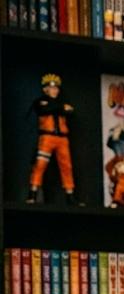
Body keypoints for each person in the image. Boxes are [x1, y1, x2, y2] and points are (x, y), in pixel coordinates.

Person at [27, 74, 78, 205]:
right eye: (51, 88)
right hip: (47, 138)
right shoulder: (40, 102)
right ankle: (32, 194)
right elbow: (43, 110)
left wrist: (57, 108)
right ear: (45, 90)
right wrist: (60, 108)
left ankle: (70, 196)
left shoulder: (60, 104)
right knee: (40, 165)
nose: (54, 91)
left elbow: (70, 112)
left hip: (62, 139)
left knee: (66, 166)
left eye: (56, 89)